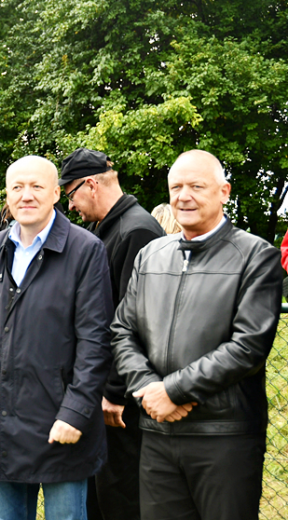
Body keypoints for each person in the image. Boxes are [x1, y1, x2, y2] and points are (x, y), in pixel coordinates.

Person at [111, 150, 282, 520]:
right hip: (156, 435)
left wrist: (174, 391)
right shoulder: (151, 255)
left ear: (224, 192)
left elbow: (248, 346)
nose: (183, 196)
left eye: (196, 186)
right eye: (176, 187)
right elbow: (122, 330)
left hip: (223, 436)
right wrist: (148, 389)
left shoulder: (255, 256)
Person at [0, 156, 114, 520]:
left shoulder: (85, 249)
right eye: (17, 187)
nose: (27, 195)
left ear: (56, 193)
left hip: (60, 422)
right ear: (7, 195)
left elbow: (95, 341)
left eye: (37, 186)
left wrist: (75, 413)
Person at [60, 147, 165, 520]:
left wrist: (114, 391)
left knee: (122, 498)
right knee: (100, 498)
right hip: (99, 394)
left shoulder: (136, 231)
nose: (70, 207)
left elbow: (136, 321)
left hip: (122, 405)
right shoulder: (104, 230)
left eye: (70, 195)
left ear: (90, 184)